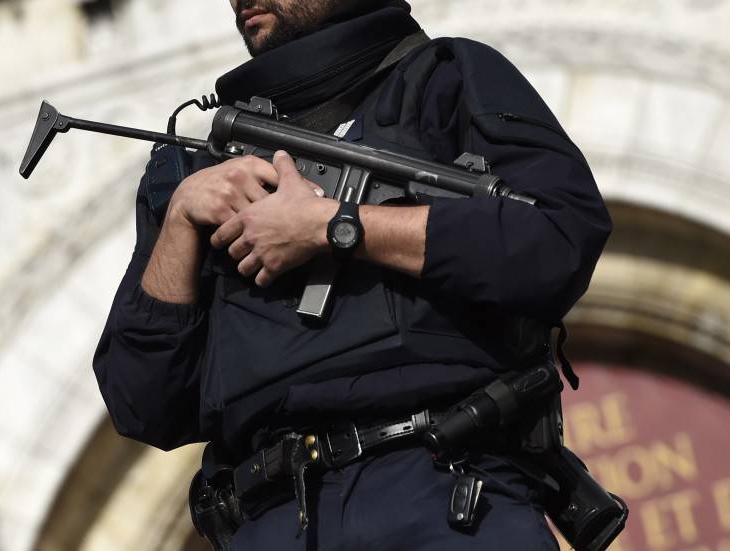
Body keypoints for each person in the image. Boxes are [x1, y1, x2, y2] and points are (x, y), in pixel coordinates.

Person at [93, 1, 612, 549]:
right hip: (270, 520)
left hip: (443, 496)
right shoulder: (201, 169)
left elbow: (558, 237)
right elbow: (142, 405)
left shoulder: (446, 78)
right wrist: (179, 218)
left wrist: (337, 227)